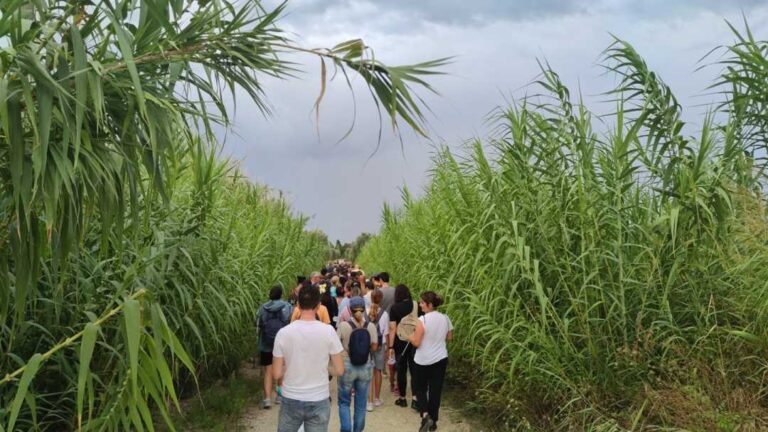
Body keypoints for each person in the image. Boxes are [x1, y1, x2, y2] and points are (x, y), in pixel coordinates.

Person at [273, 284, 345, 432]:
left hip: (291, 397)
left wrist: (291, 366)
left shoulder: (283, 333)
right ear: (319, 306)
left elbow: (276, 374)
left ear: (298, 305)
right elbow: (339, 370)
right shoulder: (328, 331)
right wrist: (325, 367)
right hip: (319, 398)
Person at [410, 291, 452, 432]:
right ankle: (433, 422)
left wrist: (409, 336)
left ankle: (426, 415)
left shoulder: (423, 320)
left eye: (422, 302)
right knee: (435, 391)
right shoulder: (445, 318)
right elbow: (449, 337)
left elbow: (416, 342)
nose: (420, 305)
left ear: (429, 304)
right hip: (440, 359)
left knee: (420, 389)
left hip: (423, 360)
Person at [336, 297, 378, 432]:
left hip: (347, 365)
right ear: (364, 309)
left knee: (344, 402)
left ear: (349, 309)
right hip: (365, 366)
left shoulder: (343, 325)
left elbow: (336, 346)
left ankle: (346, 429)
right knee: (360, 405)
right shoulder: (370, 326)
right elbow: (375, 347)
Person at [256, 285, 292, 409]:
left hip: (266, 342)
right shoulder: (286, 306)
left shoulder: (263, 307)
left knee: (268, 370)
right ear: (281, 294)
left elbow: (258, 323)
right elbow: (289, 321)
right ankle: (279, 396)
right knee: (281, 367)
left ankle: (267, 399)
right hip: (282, 342)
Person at [387, 284, 419, 410]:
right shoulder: (416, 305)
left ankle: (402, 398)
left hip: (400, 342)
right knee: (414, 370)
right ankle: (415, 399)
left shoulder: (394, 308)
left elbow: (392, 328)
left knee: (401, 370)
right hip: (414, 341)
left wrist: (390, 347)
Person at [366, 289, 385, 411]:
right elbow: (386, 332)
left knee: (369, 372)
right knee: (378, 371)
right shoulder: (385, 314)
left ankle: (369, 402)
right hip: (379, 345)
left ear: (370, 298)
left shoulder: (365, 312)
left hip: (367, 345)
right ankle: (377, 398)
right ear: (381, 299)